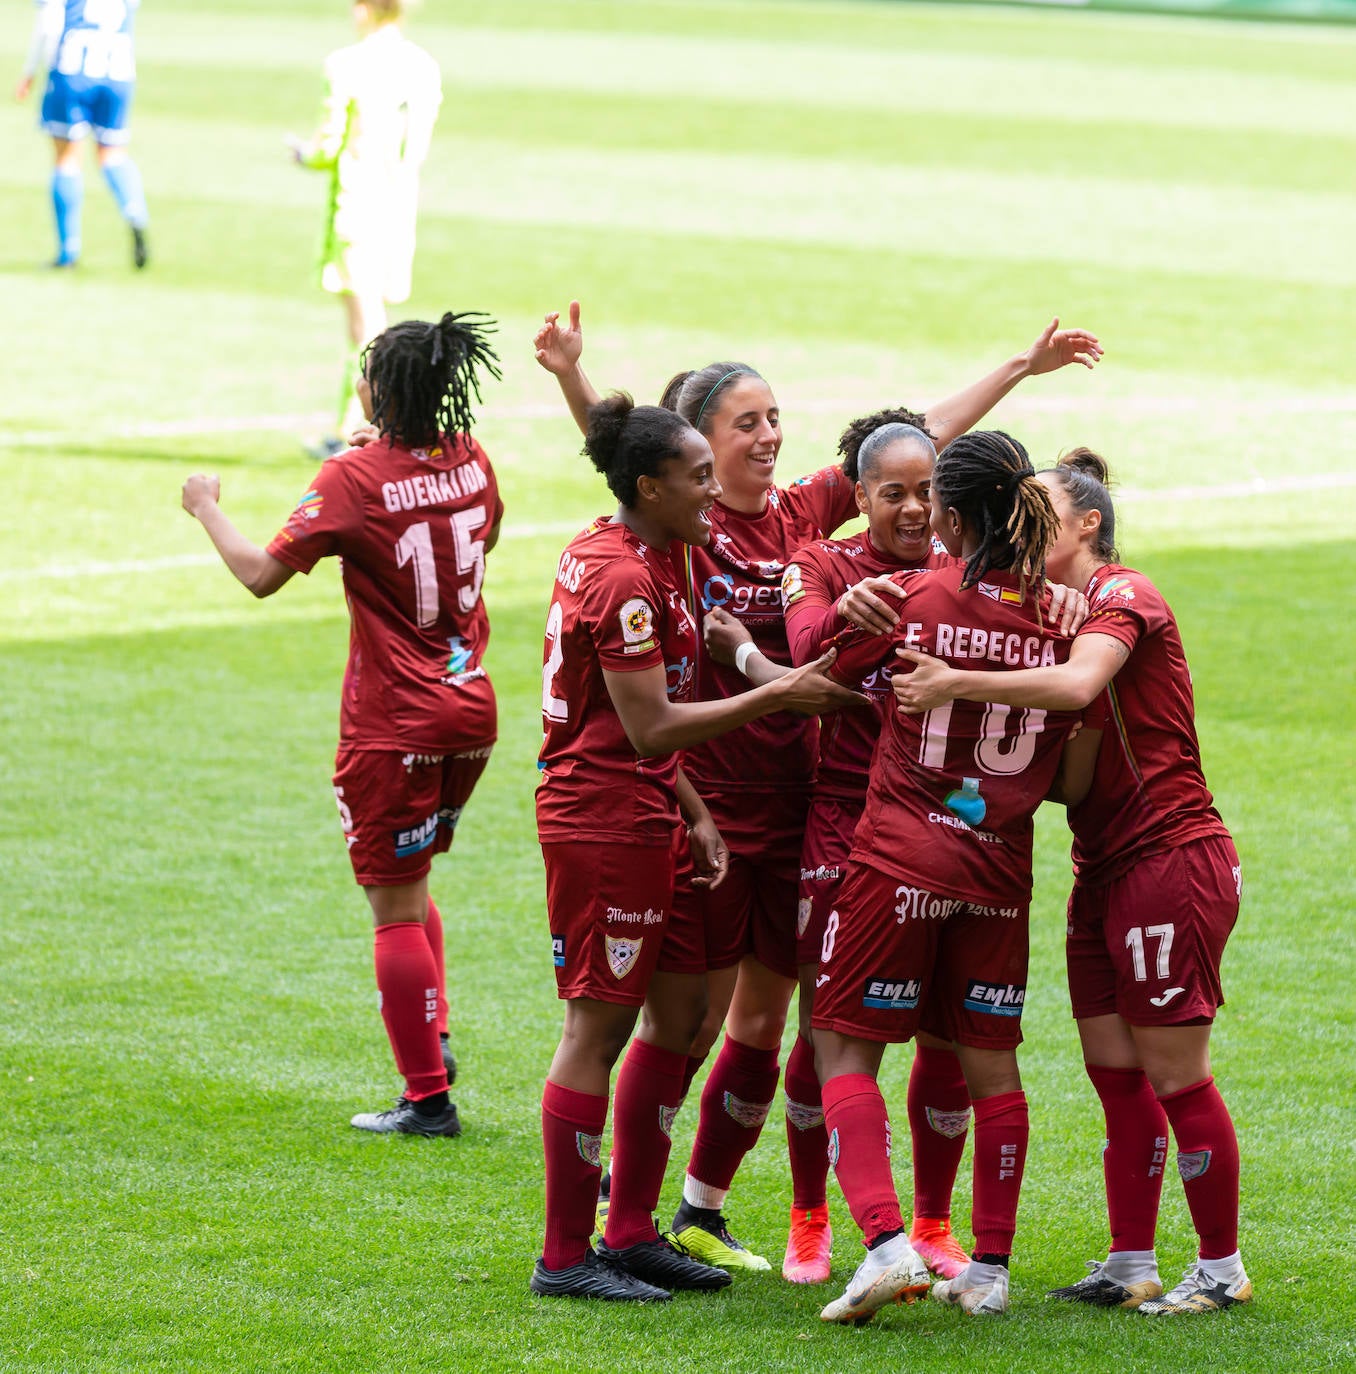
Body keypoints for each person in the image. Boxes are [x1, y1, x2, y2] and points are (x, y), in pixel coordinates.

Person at [534, 301, 1102, 1273]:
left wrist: (1017, 365)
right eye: (739, 426)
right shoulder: (684, 531)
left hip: (806, 809)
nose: (763, 439)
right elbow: (621, 460)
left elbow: (915, 446)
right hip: (697, 799)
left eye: (769, 421)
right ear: (686, 455)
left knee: (783, 1019)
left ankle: (691, 1220)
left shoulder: (790, 515)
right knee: (719, 1021)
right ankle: (694, 1213)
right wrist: (571, 380)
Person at [890, 449, 1251, 1317]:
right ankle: (1131, 1262)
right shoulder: (1054, 621)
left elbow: (1082, 682)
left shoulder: (1125, 597)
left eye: (1037, 506)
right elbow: (1072, 784)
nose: (1018, 521)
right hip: (1105, 867)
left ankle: (1221, 1268)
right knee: (1115, 1074)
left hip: (1171, 858)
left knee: (1176, 1073)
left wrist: (957, 680)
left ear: (1087, 523)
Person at [532, 393, 865, 1302]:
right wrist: (779, 694)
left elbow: (648, 735)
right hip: (603, 818)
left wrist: (695, 809)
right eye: (695, 479)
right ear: (650, 487)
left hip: (657, 809)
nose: (712, 493)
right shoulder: (625, 580)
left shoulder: (659, 547)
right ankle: (566, 1255)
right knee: (595, 1029)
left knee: (683, 1020)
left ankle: (634, 1229)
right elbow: (647, 725)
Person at [180, 311, 502, 1137]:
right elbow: (472, 529)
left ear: (381, 391)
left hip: (394, 723)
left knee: (392, 905)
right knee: (415, 878)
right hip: (469, 712)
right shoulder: (472, 459)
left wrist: (206, 507)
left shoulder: (349, 477)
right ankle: (433, 1031)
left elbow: (261, 576)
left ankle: (427, 1096)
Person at [810, 430, 1084, 1325]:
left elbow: (820, 678)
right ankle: (990, 1272)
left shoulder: (908, 597)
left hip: (897, 859)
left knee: (842, 1048)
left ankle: (886, 1244)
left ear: (955, 518)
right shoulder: (1063, 619)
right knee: (991, 1070)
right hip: (1000, 871)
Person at [288, 0, 442, 457]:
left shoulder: (346, 64)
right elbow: (418, 146)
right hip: (398, 209)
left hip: (357, 207)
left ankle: (355, 432)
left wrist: (301, 154)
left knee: (366, 332)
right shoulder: (424, 66)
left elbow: (327, 146)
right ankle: (356, 429)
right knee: (371, 326)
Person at [16, 0, 150, 270]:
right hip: (119, 73)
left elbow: (48, 23)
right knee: (112, 154)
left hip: (73, 70)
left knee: (66, 158)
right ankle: (136, 213)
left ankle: (68, 252)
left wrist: (29, 72)